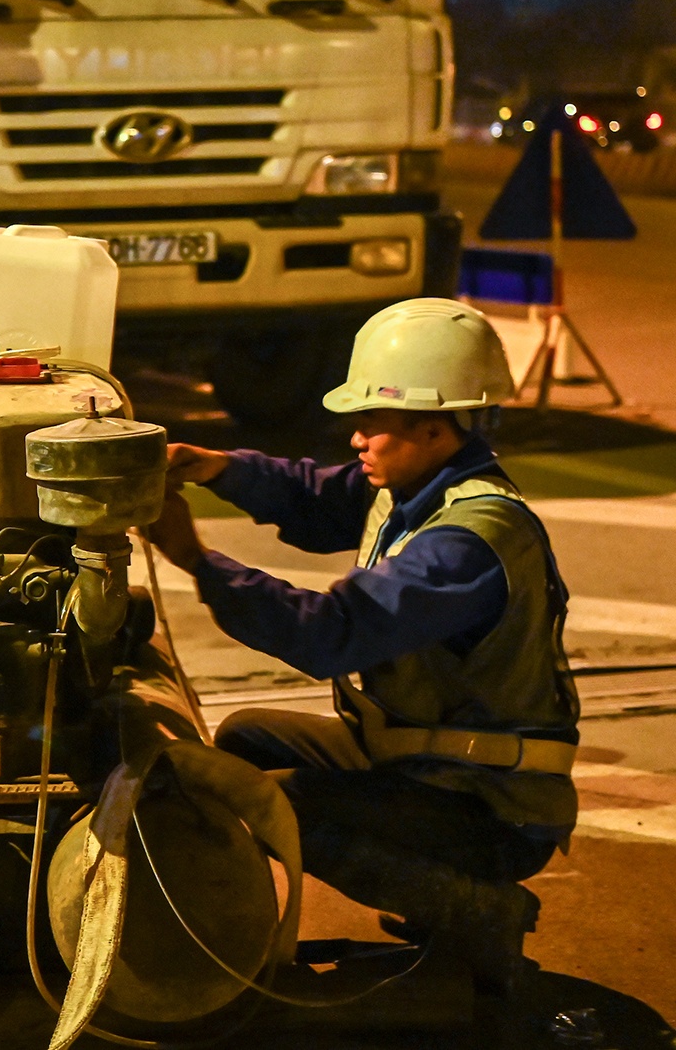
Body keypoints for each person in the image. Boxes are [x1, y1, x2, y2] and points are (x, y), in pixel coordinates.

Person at [145, 298, 576, 991]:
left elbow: (330, 634)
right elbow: (315, 498)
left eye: (372, 421)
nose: (356, 438)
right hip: (427, 757)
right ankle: (437, 903)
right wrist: (216, 467)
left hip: (490, 802)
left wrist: (196, 560)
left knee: (272, 801)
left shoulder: (467, 544)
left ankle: (477, 909)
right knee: (247, 740)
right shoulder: (418, 484)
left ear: (433, 426)